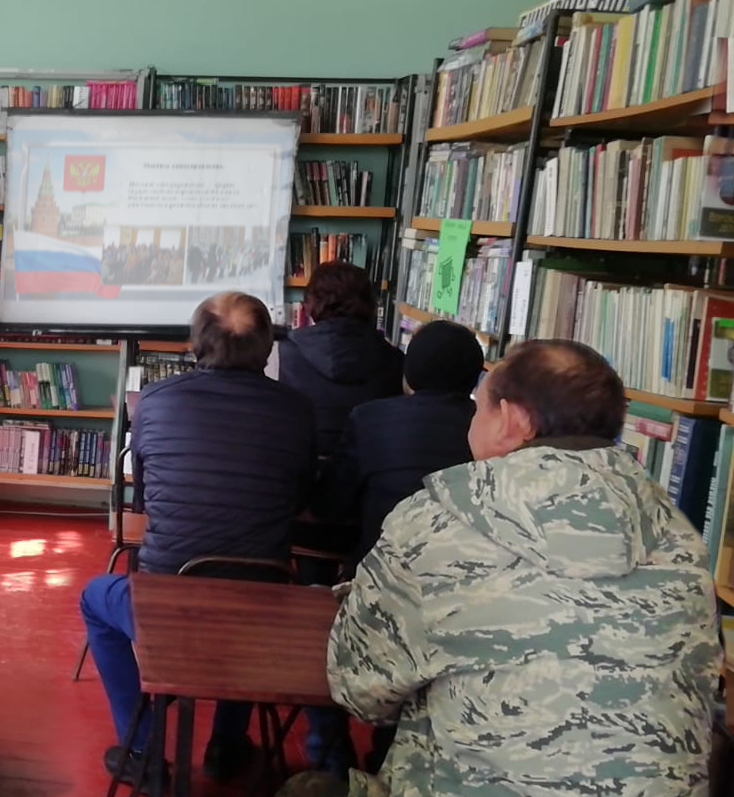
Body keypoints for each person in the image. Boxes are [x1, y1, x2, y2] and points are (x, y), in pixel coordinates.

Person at [325, 340, 722, 797]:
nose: (471, 419)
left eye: (479, 406)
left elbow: (359, 690)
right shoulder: (680, 538)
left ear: (514, 420)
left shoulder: (434, 524)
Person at [81, 292, 317, 787]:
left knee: (95, 598)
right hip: (262, 610)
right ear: (266, 348)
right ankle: (226, 745)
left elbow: (146, 497)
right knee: (244, 599)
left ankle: (143, 749)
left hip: (167, 607)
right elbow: (299, 499)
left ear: (194, 344)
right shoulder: (297, 410)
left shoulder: (155, 402)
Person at [319, 320, 483, 578]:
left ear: (409, 371)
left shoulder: (369, 418)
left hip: (379, 574)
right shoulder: (487, 430)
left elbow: (332, 506)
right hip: (460, 578)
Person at [277, 262, 404, 457]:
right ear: (370, 303)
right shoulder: (394, 359)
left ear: (311, 302)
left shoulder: (287, 352)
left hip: (303, 461)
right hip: (370, 463)